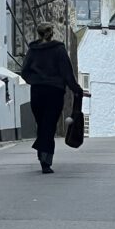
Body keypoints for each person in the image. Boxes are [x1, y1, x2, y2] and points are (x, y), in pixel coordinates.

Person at [20, 23, 89, 174]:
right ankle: (45, 160)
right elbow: (67, 73)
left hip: (37, 91)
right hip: (54, 92)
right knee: (49, 125)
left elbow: (24, 72)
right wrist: (76, 89)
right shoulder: (59, 49)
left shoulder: (33, 50)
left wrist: (36, 81)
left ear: (38, 33)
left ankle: (42, 155)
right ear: (52, 33)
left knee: (42, 124)